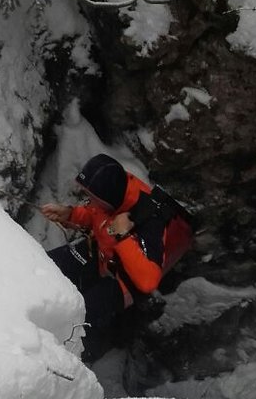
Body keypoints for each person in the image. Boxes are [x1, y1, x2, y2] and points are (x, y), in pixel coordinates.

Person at [41, 154, 167, 362]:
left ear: (110, 198)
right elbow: (94, 214)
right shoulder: (110, 195)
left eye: (94, 198)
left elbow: (148, 280)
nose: (91, 202)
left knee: (80, 311)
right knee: (47, 264)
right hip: (101, 253)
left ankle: (77, 356)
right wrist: (70, 215)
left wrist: (123, 236)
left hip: (125, 280)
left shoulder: (149, 217)